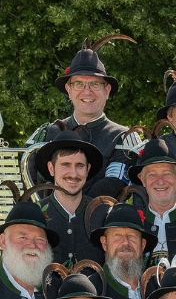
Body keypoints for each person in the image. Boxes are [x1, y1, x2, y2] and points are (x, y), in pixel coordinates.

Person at [28, 46, 140, 192]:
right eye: (79, 84)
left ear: (107, 90)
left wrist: (72, 210)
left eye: (95, 84)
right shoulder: (46, 133)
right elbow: (29, 183)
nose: (87, 91)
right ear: (69, 90)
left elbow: (112, 187)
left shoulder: (124, 138)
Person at [90, 201, 156, 299]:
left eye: (132, 236)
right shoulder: (93, 290)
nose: (125, 243)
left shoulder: (157, 287)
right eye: (117, 235)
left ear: (143, 244)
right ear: (104, 243)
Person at [31, 134, 104, 268]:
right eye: (66, 165)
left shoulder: (103, 213)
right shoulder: (33, 214)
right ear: (51, 168)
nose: (73, 174)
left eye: (80, 166)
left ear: (88, 169)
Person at [129, 138, 176, 264]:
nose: (160, 181)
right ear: (142, 179)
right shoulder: (130, 226)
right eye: (152, 175)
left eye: (167, 173)